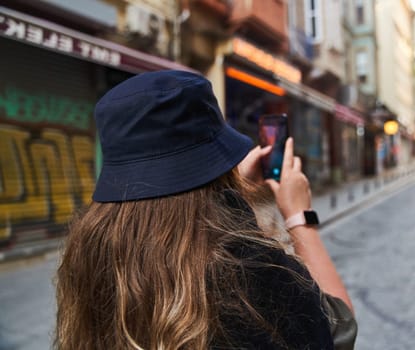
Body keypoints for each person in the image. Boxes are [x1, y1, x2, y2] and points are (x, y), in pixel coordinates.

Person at [55, 70, 357, 349]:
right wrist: (299, 217)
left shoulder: (88, 252)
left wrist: (238, 198)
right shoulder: (251, 269)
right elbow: (340, 330)